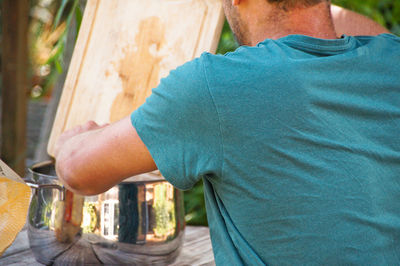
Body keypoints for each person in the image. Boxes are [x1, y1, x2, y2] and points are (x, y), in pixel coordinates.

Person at [55, 0, 400, 264]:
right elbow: (359, 31)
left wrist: (78, 136)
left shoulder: (216, 87)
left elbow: (77, 171)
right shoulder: (390, 61)